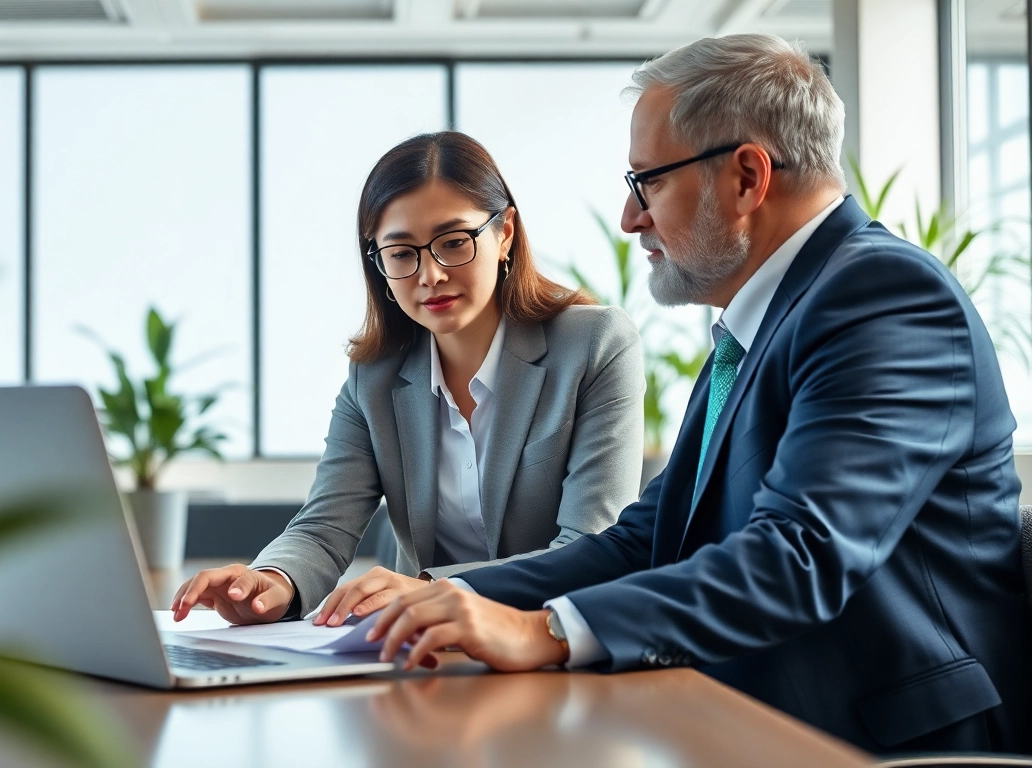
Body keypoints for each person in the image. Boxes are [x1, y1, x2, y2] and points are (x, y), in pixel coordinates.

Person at [366, 34, 1030, 755]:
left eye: (647, 182)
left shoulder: (883, 297)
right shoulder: (755, 327)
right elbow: (649, 539)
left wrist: (547, 630)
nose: (631, 218)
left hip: (891, 742)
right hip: (753, 715)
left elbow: (800, 553)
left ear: (747, 177)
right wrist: (450, 595)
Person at [172, 131, 646, 627]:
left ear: (505, 233)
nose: (430, 275)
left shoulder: (594, 345)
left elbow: (590, 548)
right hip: (421, 651)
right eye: (401, 253)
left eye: (454, 243)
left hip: (550, 638)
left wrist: (435, 590)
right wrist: (271, 581)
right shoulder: (374, 377)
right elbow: (323, 529)